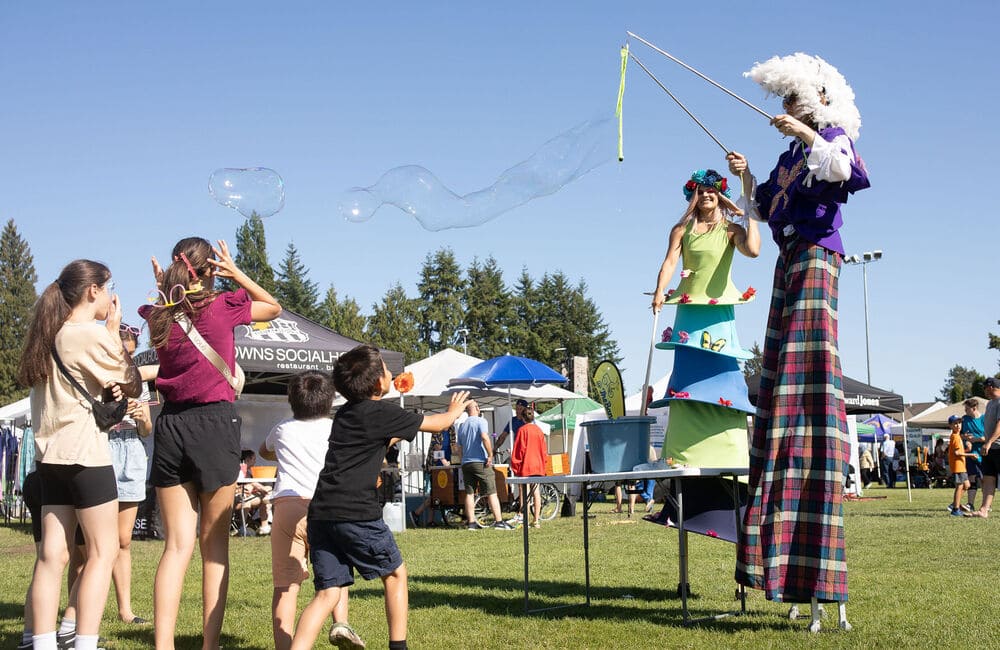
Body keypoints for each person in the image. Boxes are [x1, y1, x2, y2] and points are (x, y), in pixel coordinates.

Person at [728, 53, 870, 617]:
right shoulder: (789, 156)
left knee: (803, 377)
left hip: (816, 257)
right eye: (784, 104)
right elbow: (763, 208)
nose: (785, 110)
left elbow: (850, 172)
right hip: (788, 260)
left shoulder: (828, 135)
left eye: (793, 101)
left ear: (816, 99)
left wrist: (810, 130)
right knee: (779, 379)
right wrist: (743, 174)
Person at [140, 237, 281, 649]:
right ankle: (209, 645)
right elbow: (272, 308)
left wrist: (166, 291)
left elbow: (163, 310)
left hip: (171, 428)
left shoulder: (158, 317)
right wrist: (237, 273)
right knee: (214, 548)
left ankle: (163, 645)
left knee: (176, 547)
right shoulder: (222, 307)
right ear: (210, 270)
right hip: (215, 425)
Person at [289, 345, 471, 650]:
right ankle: (398, 647)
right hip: (355, 512)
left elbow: (376, 439)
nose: (391, 373)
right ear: (378, 384)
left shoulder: (345, 413)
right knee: (396, 575)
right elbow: (438, 424)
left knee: (328, 593)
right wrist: (454, 411)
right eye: (387, 370)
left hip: (321, 513)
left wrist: (395, 433)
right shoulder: (382, 412)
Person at [18, 260, 143, 650]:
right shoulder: (87, 334)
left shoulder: (48, 335)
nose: (109, 296)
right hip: (86, 458)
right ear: (93, 291)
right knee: (103, 554)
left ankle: (40, 642)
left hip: (49, 458)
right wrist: (113, 334)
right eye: (108, 288)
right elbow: (132, 382)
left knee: (51, 557)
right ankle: (83, 642)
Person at [258, 370, 358, 650]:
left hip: (288, 506)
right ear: (329, 401)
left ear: (292, 400)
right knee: (337, 576)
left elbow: (264, 451)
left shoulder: (282, 428)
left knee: (286, 586)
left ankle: (284, 645)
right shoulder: (335, 428)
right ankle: (341, 624)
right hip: (326, 507)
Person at [107, 323, 153, 625]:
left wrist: (140, 418)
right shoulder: (98, 376)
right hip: (104, 449)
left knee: (123, 539)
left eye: (132, 353)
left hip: (132, 452)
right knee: (94, 541)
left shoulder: (139, 382)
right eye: (125, 351)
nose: (129, 357)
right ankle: (81, 608)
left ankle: (125, 609)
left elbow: (147, 429)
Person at [455, 400, 513, 530]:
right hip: (480, 461)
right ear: (476, 408)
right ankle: (498, 522)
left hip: (466, 463)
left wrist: (462, 460)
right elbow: (484, 437)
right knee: (491, 492)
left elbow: (458, 447)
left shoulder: (462, 425)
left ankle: (471, 523)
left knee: (469, 493)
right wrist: (490, 454)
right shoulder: (481, 421)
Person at [510, 404, 549, 528]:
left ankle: (525, 519)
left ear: (522, 418)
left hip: (526, 465)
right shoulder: (539, 431)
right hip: (538, 465)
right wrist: (544, 464)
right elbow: (544, 451)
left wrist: (515, 466)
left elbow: (518, 450)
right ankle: (536, 520)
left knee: (525, 493)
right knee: (536, 492)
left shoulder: (522, 430)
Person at [409, 428, 452, 527]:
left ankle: (429, 520)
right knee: (435, 493)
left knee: (436, 494)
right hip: (435, 466)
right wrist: (444, 460)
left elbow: (453, 445)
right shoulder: (439, 428)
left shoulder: (451, 429)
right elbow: (436, 446)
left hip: (447, 466)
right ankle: (417, 513)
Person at [973, 377, 1000, 518]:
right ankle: (983, 510)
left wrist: (988, 442)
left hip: (997, 447)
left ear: (990, 387)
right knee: (988, 478)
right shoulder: (990, 404)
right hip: (990, 449)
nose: (983, 390)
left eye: (984, 387)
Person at [237, 449, 273, 535]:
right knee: (247, 502)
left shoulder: (248, 471)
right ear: (247, 460)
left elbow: (251, 484)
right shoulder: (240, 469)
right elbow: (246, 483)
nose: (255, 461)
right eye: (254, 459)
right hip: (239, 498)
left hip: (249, 496)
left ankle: (264, 527)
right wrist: (260, 488)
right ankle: (243, 528)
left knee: (266, 497)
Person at [947, 415, 974, 516]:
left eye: (959, 423)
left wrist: (967, 450)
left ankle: (955, 503)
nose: (958, 425)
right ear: (950, 426)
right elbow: (957, 453)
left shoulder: (957, 436)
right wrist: (971, 454)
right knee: (960, 486)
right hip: (958, 466)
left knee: (967, 485)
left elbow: (958, 451)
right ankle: (955, 509)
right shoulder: (955, 437)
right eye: (955, 423)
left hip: (961, 465)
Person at [961, 398, 986, 510]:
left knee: (984, 480)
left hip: (984, 454)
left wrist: (976, 440)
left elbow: (988, 437)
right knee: (972, 478)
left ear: (974, 408)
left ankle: (986, 505)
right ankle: (970, 504)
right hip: (970, 454)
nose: (965, 411)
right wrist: (965, 439)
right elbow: (959, 435)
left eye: (967, 409)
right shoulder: (964, 419)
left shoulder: (984, 419)